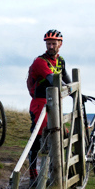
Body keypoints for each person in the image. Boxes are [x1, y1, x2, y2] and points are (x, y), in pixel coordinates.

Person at [25, 30, 70, 178]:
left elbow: (67, 79)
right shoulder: (40, 61)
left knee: (61, 133)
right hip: (40, 103)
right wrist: (69, 89)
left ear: (60, 44)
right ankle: (33, 173)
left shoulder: (61, 60)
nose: (51, 46)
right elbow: (52, 79)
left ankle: (57, 170)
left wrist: (79, 94)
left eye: (54, 43)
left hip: (55, 102)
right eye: (48, 43)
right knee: (39, 136)